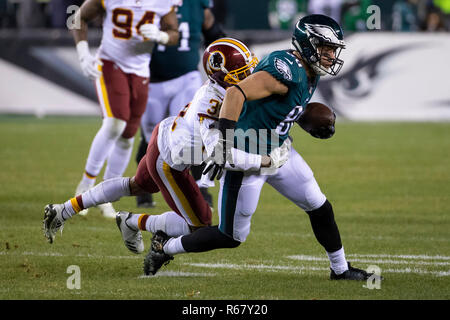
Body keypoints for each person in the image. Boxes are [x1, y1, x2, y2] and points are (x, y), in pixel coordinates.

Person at [144, 14, 380, 281]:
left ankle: (340, 269)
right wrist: (222, 146)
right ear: (307, 44)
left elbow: (277, 106)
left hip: (279, 150)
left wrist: (302, 118)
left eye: (332, 49)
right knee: (230, 236)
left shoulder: (308, 70)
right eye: (325, 48)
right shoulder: (285, 70)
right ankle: (166, 247)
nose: (330, 55)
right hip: (248, 153)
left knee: (319, 206)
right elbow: (235, 94)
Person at [43, 38, 290, 253]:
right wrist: (266, 161)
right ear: (222, 74)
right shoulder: (216, 102)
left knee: (136, 186)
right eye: (242, 73)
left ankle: (63, 210)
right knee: (200, 224)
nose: (250, 77)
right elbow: (221, 154)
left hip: (166, 137)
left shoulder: (222, 90)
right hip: (171, 160)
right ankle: (132, 221)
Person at [71, 0, 180, 218]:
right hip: (111, 63)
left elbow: (174, 32)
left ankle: (106, 195)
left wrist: (161, 36)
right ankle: (85, 186)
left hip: (140, 70)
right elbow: (78, 17)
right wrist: (83, 52)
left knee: (128, 136)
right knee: (114, 124)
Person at [135, 0, 226, 209]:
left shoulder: (196, 4)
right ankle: (143, 186)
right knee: (149, 136)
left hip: (186, 76)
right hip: (150, 78)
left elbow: (213, 32)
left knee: (192, 131)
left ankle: (200, 188)